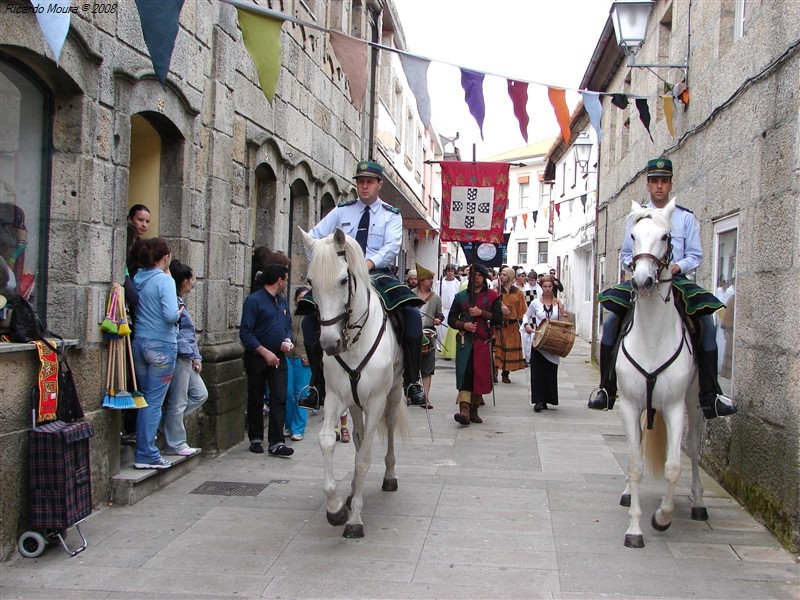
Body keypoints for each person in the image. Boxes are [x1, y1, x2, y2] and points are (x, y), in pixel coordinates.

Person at [588, 158, 737, 419]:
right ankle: (606, 388)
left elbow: (695, 255)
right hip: (642, 278)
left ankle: (710, 395)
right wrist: (638, 266)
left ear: (670, 184)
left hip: (674, 281)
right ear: (647, 185)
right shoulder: (636, 217)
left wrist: (676, 267)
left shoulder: (685, 217)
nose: (659, 186)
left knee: (707, 325)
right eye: (654, 181)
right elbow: (625, 253)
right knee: (612, 322)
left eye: (664, 181)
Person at [297, 160, 426, 410]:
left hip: (376, 273)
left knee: (411, 315)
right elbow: (312, 239)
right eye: (360, 182)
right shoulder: (341, 211)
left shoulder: (391, 215)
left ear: (379, 185)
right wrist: (326, 267)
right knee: (308, 318)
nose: (364, 186)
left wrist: (366, 264)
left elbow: (390, 248)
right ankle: (317, 385)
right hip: (341, 276)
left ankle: (412, 380)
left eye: (369, 182)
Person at [131, 238, 181, 469]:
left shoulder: (138, 278)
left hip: (140, 341)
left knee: (144, 399)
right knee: (154, 402)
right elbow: (171, 315)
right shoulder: (164, 280)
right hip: (161, 344)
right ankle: (147, 453)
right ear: (166, 257)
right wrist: (180, 308)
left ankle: (143, 449)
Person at [240, 263, 294, 457]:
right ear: (279, 280)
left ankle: (277, 441)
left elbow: (287, 326)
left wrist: (287, 339)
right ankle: (255, 437)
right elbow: (246, 332)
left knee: (280, 397)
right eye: (286, 279)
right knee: (256, 396)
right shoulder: (254, 301)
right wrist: (264, 352)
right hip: (258, 357)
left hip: (278, 357)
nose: (286, 283)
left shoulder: (282, 301)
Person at [162, 259, 207, 456]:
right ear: (184, 280)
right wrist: (191, 354)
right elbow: (178, 333)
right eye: (191, 278)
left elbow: (188, 334)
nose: (193, 282)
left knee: (200, 393)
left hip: (188, 356)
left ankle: (164, 424)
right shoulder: (173, 303)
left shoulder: (180, 302)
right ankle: (176, 442)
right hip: (181, 355)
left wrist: (196, 356)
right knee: (178, 400)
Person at [447, 264, 502, 425]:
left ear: (483, 277)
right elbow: (451, 319)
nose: (476, 277)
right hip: (465, 342)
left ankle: (474, 409)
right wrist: (464, 325)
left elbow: (498, 318)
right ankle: (464, 409)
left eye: (479, 275)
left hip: (483, 342)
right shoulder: (461, 297)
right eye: (473, 275)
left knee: (480, 376)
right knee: (465, 374)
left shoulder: (492, 296)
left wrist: (481, 313)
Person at [523, 275, 566, 412]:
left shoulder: (559, 303)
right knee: (537, 371)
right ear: (541, 288)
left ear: (553, 287)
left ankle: (548, 398)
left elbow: (564, 320)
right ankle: (538, 401)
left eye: (550, 286)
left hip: (552, 341)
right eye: (545, 287)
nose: (547, 289)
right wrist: (527, 326)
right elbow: (526, 316)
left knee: (550, 371)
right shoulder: (536, 303)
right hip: (538, 341)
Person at [415, 263, 444, 408]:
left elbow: (440, 315)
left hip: (428, 334)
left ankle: (425, 397)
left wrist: (438, 319)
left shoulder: (435, 298)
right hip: (412, 334)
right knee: (411, 367)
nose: (431, 282)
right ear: (421, 280)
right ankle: (411, 395)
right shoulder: (410, 294)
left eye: (432, 279)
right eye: (429, 279)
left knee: (427, 368)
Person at [285, 287, 310, 441]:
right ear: (295, 299)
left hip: (303, 358)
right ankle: (288, 425)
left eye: (305, 297)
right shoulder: (290, 315)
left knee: (302, 394)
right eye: (300, 297)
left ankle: (298, 428)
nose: (302, 300)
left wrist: (309, 356)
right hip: (288, 356)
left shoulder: (313, 316)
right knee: (287, 393)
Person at [494, 267, 527, 383]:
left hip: (512, 326)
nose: (501, 276)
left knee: (508, 349)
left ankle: (505, 373)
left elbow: (522, 310)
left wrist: (522, 323)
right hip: (498, 325)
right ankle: (495, 371)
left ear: (510, 277)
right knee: (497, 349)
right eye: (501, 274)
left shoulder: (518, 292)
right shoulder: (496, 291)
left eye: (504, 274)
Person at [437, 264, 461, 360]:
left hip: (453, 310)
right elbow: (437, 296)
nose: (450, 273)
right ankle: (442, 349)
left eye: (452, 271)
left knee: (450, 330)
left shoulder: (457, 284)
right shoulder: (440, 283)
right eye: (448, 271)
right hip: (443, 309)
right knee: (442, 330)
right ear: (445, 272)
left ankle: (450, 350)